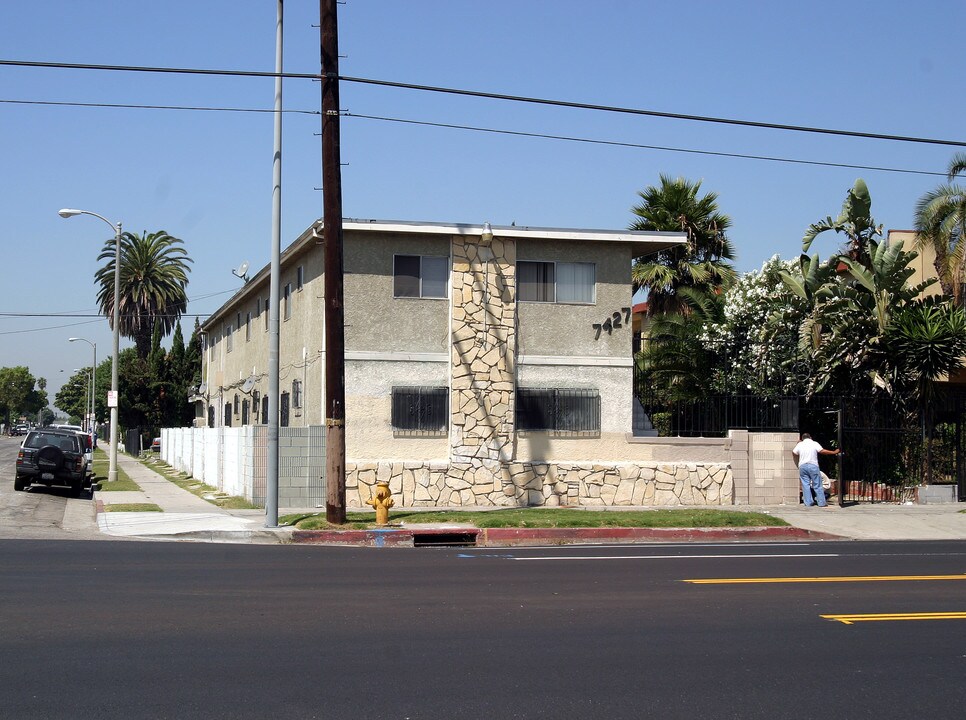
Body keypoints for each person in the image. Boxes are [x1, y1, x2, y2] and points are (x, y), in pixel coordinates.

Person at [792, 433, 841, 507]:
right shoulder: (814, 443)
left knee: (805, 485)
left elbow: (794, 452)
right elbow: (822, 451)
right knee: (817, 484)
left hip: (802, 466)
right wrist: (834, 452)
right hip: (813, 465)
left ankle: (808, 502)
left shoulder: (800, 444)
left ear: (802, 438)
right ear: (810, 437)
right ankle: (821, 502)